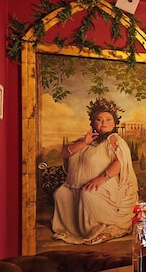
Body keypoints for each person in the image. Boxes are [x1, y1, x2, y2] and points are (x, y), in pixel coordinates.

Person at [51, 98, 139, 245]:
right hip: (77, 185)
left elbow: (119, 163)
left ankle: (102, 229)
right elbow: (65, 153)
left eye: (108, 119)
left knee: (88, 193)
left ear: (114, 122)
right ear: (93, 122)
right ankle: (80, 230)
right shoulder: (87, 139)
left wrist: (100, 179)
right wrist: (84, 143)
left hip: (108, 185)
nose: (103, 123)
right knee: (62, 193)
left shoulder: (114, 139)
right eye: (99, 119)